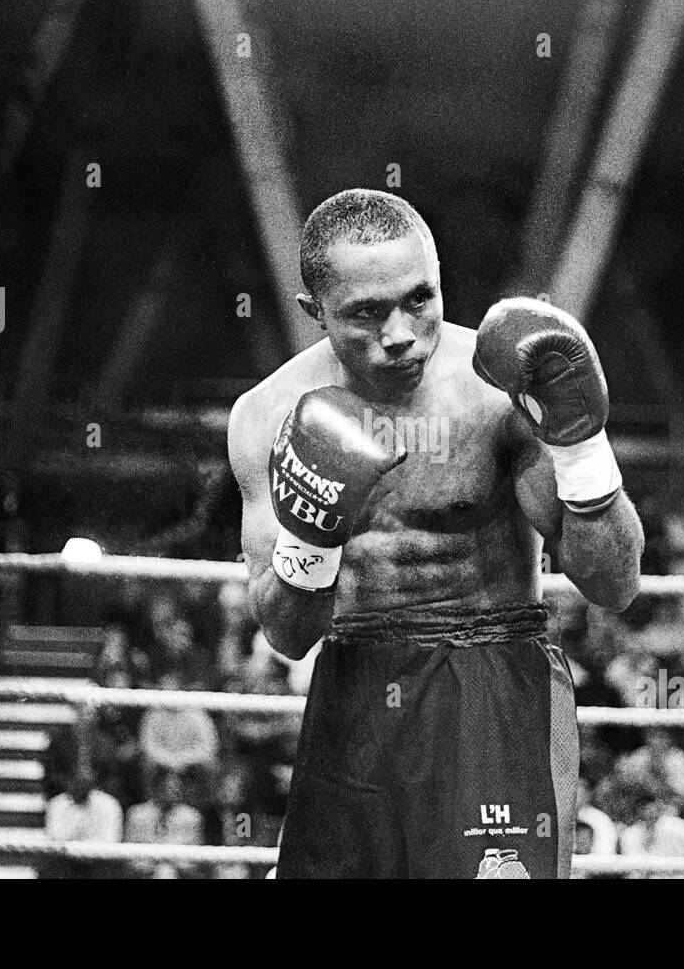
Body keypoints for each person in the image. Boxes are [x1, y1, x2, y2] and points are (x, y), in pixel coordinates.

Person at [228, 189, 643, 878]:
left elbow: (615, 584)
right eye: (366, 312)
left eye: (420, 299)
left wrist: (582, 449)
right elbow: (288, 635)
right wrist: (314, 532)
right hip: (354, 682)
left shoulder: (497, 391)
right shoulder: (268, 415)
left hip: (492, 678)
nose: (401, 332)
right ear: (315, 312)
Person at [43, 766, 123, 879]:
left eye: (85, 782)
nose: (80, 786)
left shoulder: (109, 804)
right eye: (76, 782)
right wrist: (77, 815)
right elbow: (55, 838)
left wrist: (86, 851)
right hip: (68, 861)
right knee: (50, 865)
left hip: (98, 861)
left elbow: (112, 839)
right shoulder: (57, 804)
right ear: (68, 781)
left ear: (93, 782)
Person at [124, 768, 204, 878]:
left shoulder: (191, 816)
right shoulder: (137, 814)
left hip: (178, 872)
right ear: (156, 788)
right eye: (167, 787)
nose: (171, 791)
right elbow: (129, 856)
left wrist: (169, 862)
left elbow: (193, 859)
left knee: (166, 872)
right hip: (144, 872)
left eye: (175, 787)